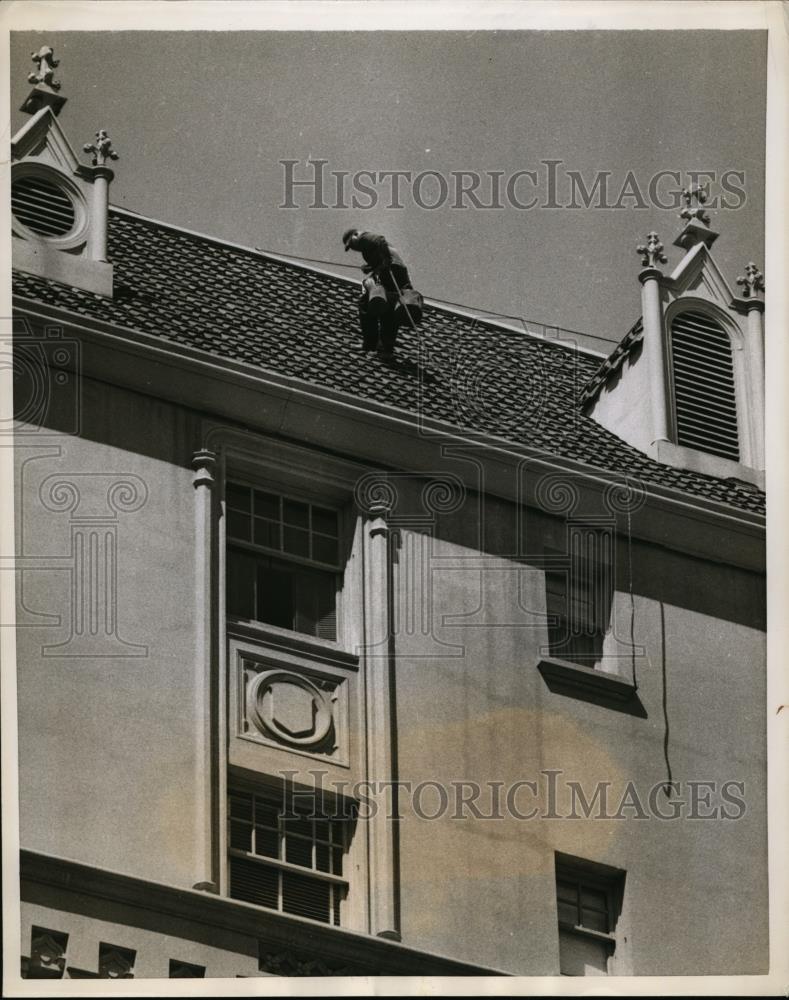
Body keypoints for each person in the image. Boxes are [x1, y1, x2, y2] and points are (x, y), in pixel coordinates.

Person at [342, 228, 414, 357]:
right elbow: (382, 257)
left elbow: (380, 240)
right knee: (390, 308)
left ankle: (369, 345)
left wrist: (385, 262)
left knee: (366, 303)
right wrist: (370, 267)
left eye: (351, 244)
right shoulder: (373, 248)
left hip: (391, 272)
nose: (353, 248)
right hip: (400, 273)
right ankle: (386, 349)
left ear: (354, 235)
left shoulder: (363, 237)